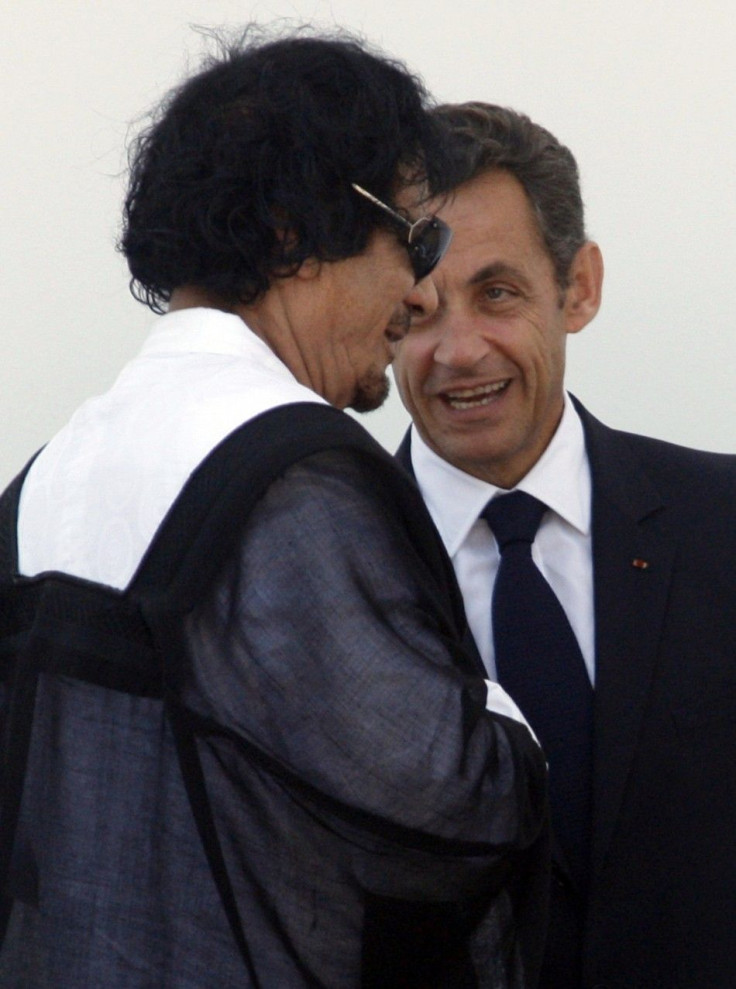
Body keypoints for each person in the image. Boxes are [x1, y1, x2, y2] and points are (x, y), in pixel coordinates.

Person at [0, 36, 549, 989]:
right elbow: (453, 798)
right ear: (294, 232)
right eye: (416, 241)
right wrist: (508, 720)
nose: (418, 294)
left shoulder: (51, 471)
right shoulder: (291, 476)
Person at [393, 101, 736, 989]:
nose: (457, 350)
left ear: (577, 287)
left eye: (497, 292)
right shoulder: (310, 568)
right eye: (419, 308)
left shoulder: (724, 521)